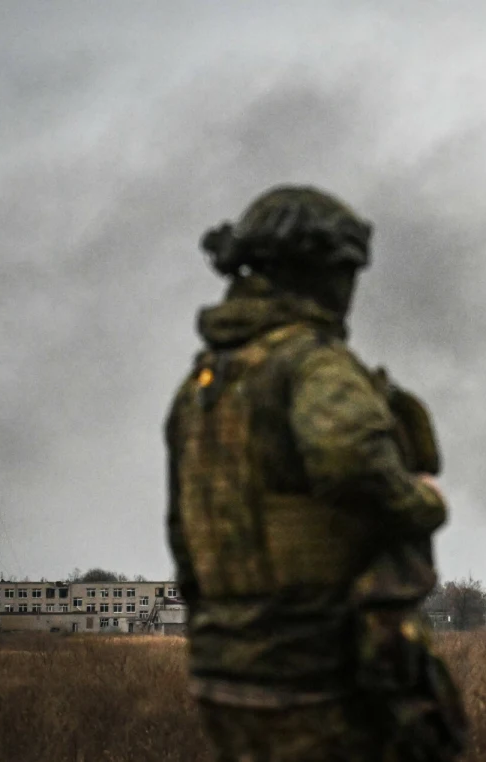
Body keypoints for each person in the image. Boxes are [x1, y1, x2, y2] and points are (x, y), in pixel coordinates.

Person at [164, 185, 466, 761]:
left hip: (224, 674)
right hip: (318, 674)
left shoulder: (203, 388)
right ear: (316, 271)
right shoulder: (310, 366)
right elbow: (353, 464)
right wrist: (424, 500)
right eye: (345, 271)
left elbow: (185, 536)